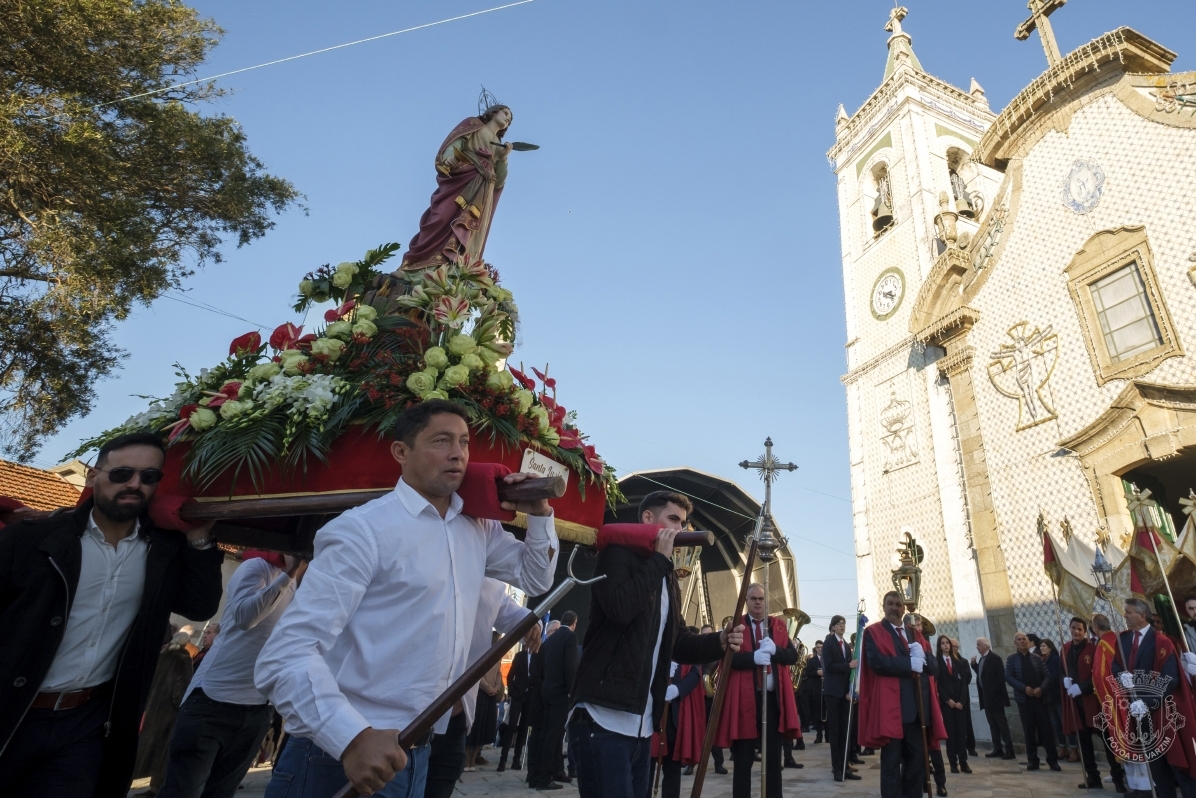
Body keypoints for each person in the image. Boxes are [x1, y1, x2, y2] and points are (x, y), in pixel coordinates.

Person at [255, 400, 558, 798]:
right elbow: (286, 654)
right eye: (441, 441)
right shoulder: (362, 530)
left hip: (419, 751)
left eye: (465, 443)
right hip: (340, 755)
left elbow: (535, 575)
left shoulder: (477, 528)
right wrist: (351, 737)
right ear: (401, 452)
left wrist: (539, 513)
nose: (458, 453)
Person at [0, 432, 223, 798]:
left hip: (86, 724)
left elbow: (200, 606)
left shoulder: (162, 551)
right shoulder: (32, 539)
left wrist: (199, 536)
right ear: (93, 475)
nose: (135, 484)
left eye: (149, 477)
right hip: (13, 711)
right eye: (122, 473)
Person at [568, 491, 743, 798]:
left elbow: (676, 641)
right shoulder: (617, 554)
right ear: (648, 518)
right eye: (673, 519)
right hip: (602, 719)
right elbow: (621, 609)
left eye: (684, 523)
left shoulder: (666, 578)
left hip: (642, 726)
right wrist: (660, 560)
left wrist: (720, 640)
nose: (681, 529)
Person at [158, 551, 307, 798]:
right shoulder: (256, 567)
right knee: (182, 791)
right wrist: (289, 574)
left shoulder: (300, 589)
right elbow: (245, 618)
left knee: (221, 793)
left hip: (258, 708)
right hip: (213, 700)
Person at [426, 578, 536, 798]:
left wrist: (530, 621)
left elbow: (520, 596)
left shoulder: (489, 579)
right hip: (411, 717)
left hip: (456, 716)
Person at [399, 101, 513, 272]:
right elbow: (456, 143)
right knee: (442, 216)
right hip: (462, 178)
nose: (507, 119)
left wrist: (503, 158)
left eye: (510, 120)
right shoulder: (474, 125)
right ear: (494, 112)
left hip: (482, 189)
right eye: (505, 113)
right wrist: (450, 157)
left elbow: (499, 181)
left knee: (472, 227)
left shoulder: (500, 145)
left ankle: (455, 267)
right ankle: (419, 263)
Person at [715, 582, 802, 798]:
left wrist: (776, 651)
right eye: (753, 598)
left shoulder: (779, 626)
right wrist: (752, 658)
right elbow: (728, 660)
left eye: (761, 599)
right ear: (746, 601)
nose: (758, 602)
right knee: (743, 761)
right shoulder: (736, 625)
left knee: (773, 760)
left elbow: (793, 656)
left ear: (766, 601)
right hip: (745, 702)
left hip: (772, 702)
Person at [858, 591, 946, 798]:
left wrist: (923, 657)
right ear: (883, 606)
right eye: (890, 604)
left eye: (898, 604)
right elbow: (876, 662)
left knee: (916, 765)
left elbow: (934, 668)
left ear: (903, 609)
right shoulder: (873, 632)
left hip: (917, 713)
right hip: (892, 712)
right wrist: (909, 664)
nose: (894, 608)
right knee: (890, 766)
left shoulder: (916, 634)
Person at [1111, 598, 1196, 798]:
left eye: (1129, 612)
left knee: (1176, 764)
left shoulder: (1161, 641)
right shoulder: (1123, 639)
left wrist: (1147, 701)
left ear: (1141, 615)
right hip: (1138, 713)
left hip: (1162, 712)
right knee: (1157, 767)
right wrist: (1121, 676)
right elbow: (1116, 664)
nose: (1125, 615)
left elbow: (1170, 678)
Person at [1062, 616, 1124, 791]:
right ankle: (1093, 777)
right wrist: (1064, 680)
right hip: (1076, 703)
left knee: (1107, 740)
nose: (1076, 631)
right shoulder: (1065, 649)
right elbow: (1062, 671)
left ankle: (1118, 778)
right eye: (1073, 628)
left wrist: (1081, 688)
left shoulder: (1094, 648)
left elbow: (1098, 674)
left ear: (1085, 631)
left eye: (1080, 629)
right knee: (1084, 742)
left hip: (1093, 701)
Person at [134, 631, 198, 795]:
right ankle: (156, 788)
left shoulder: (162, 656)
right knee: (162, 753)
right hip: (167, 714)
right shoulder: (183, 659)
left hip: (150, 709)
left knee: (142, 748)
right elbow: (180, 689)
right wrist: (180, 707)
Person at [528, 610, 578, 790]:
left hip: (546, 692)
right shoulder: (570, 638)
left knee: (545, 735)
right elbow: (570, 667)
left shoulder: (550, 640)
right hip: (559, 694)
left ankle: (538, 775)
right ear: (574, 624)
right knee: (553, 736)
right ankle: (543, 778)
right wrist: (571, 691)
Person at [649, 658, 706, 798]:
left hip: (675, 715)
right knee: (646, 770)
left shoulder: (685, 640)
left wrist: (678, 689)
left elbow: (695, 672)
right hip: (652, 715)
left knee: (672, 771)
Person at [1005, 631, 1060, 772]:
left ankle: (1052, 760)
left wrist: (1041, 689)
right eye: (1019, 639)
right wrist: (1024, 688)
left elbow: (1047, 676)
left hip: (1040, 700)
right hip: (1024, 701)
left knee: (1047, 730)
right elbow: (1009, 677)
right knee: (1029, 731)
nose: (1023, 641)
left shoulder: (1036, 658)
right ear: (1015, 642)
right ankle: (1032, 760)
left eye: (1024, 639)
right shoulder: (1011, 659)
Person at [823, 615, 858, 782]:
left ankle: (845, 766)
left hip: (844, 693)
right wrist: (848, 665)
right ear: (833, 627)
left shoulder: (846, 645)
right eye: (839, 624)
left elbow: (848, 672)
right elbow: (828, 667)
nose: (842, 626)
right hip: (832, 693)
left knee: (845, 730)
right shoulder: (829, 643)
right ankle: (836, 768)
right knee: (835, 732)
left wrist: (849, 689)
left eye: (844, 623)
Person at [464, 634, 506, 772]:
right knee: (474, 726)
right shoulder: (480, 654)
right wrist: (488, 687)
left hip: (490, 695)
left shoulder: (497, 655)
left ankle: (474, 758)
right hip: (479, 693)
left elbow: (499, 673)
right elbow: (477, 673)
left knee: (484, 727)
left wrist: (497, 687)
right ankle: (466, 759)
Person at [971, 637, 1013, 759]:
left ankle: (1009, 750)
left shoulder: (994, 658)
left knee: (1001, 724)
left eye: (978, 644)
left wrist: (993, 691)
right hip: (986, 698)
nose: (977, 647)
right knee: (993, 724)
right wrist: (974, 665)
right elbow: (981, 674)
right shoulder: (983, 659)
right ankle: (997, 748)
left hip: (995, 698)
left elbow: (1000, 677)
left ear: (985, 646)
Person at [1038, 638, 1078, 762]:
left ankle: (1074, 748)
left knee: (1064, 721)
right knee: (1056, 723)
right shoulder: (1043, 660)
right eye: (1040, 646)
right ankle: (1062, 747)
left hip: (1057, 695)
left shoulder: (1054, 659)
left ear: (1050, 647)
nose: (1041, 648)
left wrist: (1042, 685)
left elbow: (1053, 676)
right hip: (1048, 696)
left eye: (1044, 646)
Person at [935, 635, 971, 775]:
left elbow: (963, 684)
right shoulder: (937, 662)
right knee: (950, 734)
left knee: (962, 734)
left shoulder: (958, 662)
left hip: (960, 704)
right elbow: (938, 684)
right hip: (947, 704)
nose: (946, 645)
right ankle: (953, 763)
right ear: (939, 646)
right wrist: (947, 700)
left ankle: (964, 762)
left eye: (947, 643)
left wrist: (962, 701)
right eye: (943, 643)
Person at [700, 624, 729, 775]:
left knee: (713, 731)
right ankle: (692, 764)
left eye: (709, 635)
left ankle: (719, 763)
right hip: (698, 698)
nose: (707, 637)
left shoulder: (718, 653)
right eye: (704, 635)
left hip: (712, 698)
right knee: (697, 731)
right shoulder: (696, 653)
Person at [497, 641, 531, 772]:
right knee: (511, 726)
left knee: (524, 727)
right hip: (518, 696)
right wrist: (512, 692)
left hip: (529, 696)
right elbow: (511, 675)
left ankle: (516, 759)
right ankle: (503, 759)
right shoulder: (520, 656)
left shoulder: (538, 655)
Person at [799, 640, 824, 742]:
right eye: (818, 647)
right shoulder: (812, 660)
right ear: (815, 648)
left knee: (827, 714)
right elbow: (808, 673)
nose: (820, 649)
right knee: (817, 713)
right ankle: (819, 735)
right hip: (816, 690)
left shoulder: (828, 659)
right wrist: (817, 672)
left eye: (821, 647)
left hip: (826, 688)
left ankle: (829, 737)